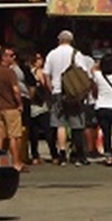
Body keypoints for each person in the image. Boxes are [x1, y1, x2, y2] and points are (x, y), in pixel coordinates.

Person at [43, 30, 91, 167]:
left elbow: (46, 74)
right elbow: (84, 72)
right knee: (77, 124)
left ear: (59, 40)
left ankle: (62, 154)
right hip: (73, 93)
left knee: (60, 124)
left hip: (57, 91)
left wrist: (51, 87)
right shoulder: (76, 54)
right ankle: (79, 155)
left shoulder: (52, 54)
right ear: (71, 40)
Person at [0, 46, 26, 171]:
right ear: (4, 57)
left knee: (0, 136)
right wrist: (20, 104)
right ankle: (16, 163)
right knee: (13, 136)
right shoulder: (9, 72)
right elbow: (16, 90)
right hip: (11, 107)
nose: (13, 58)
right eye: (11, 56)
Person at [28, 52, 56, 164]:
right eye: (39, 58)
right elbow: (45, 85)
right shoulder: (39, 72)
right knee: (48, 130)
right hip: (41, 104)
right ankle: (54, 154)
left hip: (31, 105)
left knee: (33, 131)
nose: (42, 60)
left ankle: (35, 155)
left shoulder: (28, 72)